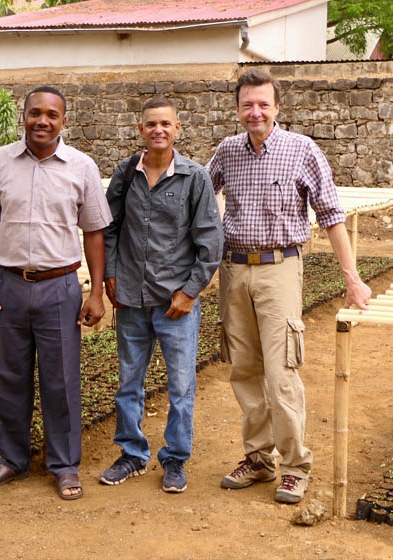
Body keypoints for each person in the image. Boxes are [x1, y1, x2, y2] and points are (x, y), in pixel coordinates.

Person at [208, 68, 372, 504]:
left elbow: (331, 215)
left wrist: (352, 280)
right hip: (234, 270)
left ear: (277, 107)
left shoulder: (302, 150)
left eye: (263, 104)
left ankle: (296, 466)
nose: (255, 111)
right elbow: (201, 204)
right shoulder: (226, 152)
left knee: (281, 372)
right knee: (243, 368)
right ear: (237, 109)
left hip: (280, 267)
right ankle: (258, 460)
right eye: (247, 104)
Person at [0, 86, 112, 500]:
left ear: (64, 120)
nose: (42, 121)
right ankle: (11, 459)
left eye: (51, 114)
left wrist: (95, 291)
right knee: (10, 377)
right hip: (8, 286)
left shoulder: (81, 167)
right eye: (34, 113)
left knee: (61, 380)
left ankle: (64, 465)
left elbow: (95, 232)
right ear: (23, 117)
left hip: (60, 288)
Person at [100, 98, 223, 493]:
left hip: (176, 304)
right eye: (151, 124)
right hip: (131, 299)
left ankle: (175, 459)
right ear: (141, 130)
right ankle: (132, 455)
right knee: (128, 382)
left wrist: (189, 292)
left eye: (165, 124)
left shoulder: (195, 177)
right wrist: (110, 275)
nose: (158, 130)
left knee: (181, 386)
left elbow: (210, 241)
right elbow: (109, 227)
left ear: (177, 128)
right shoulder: (125, 173)